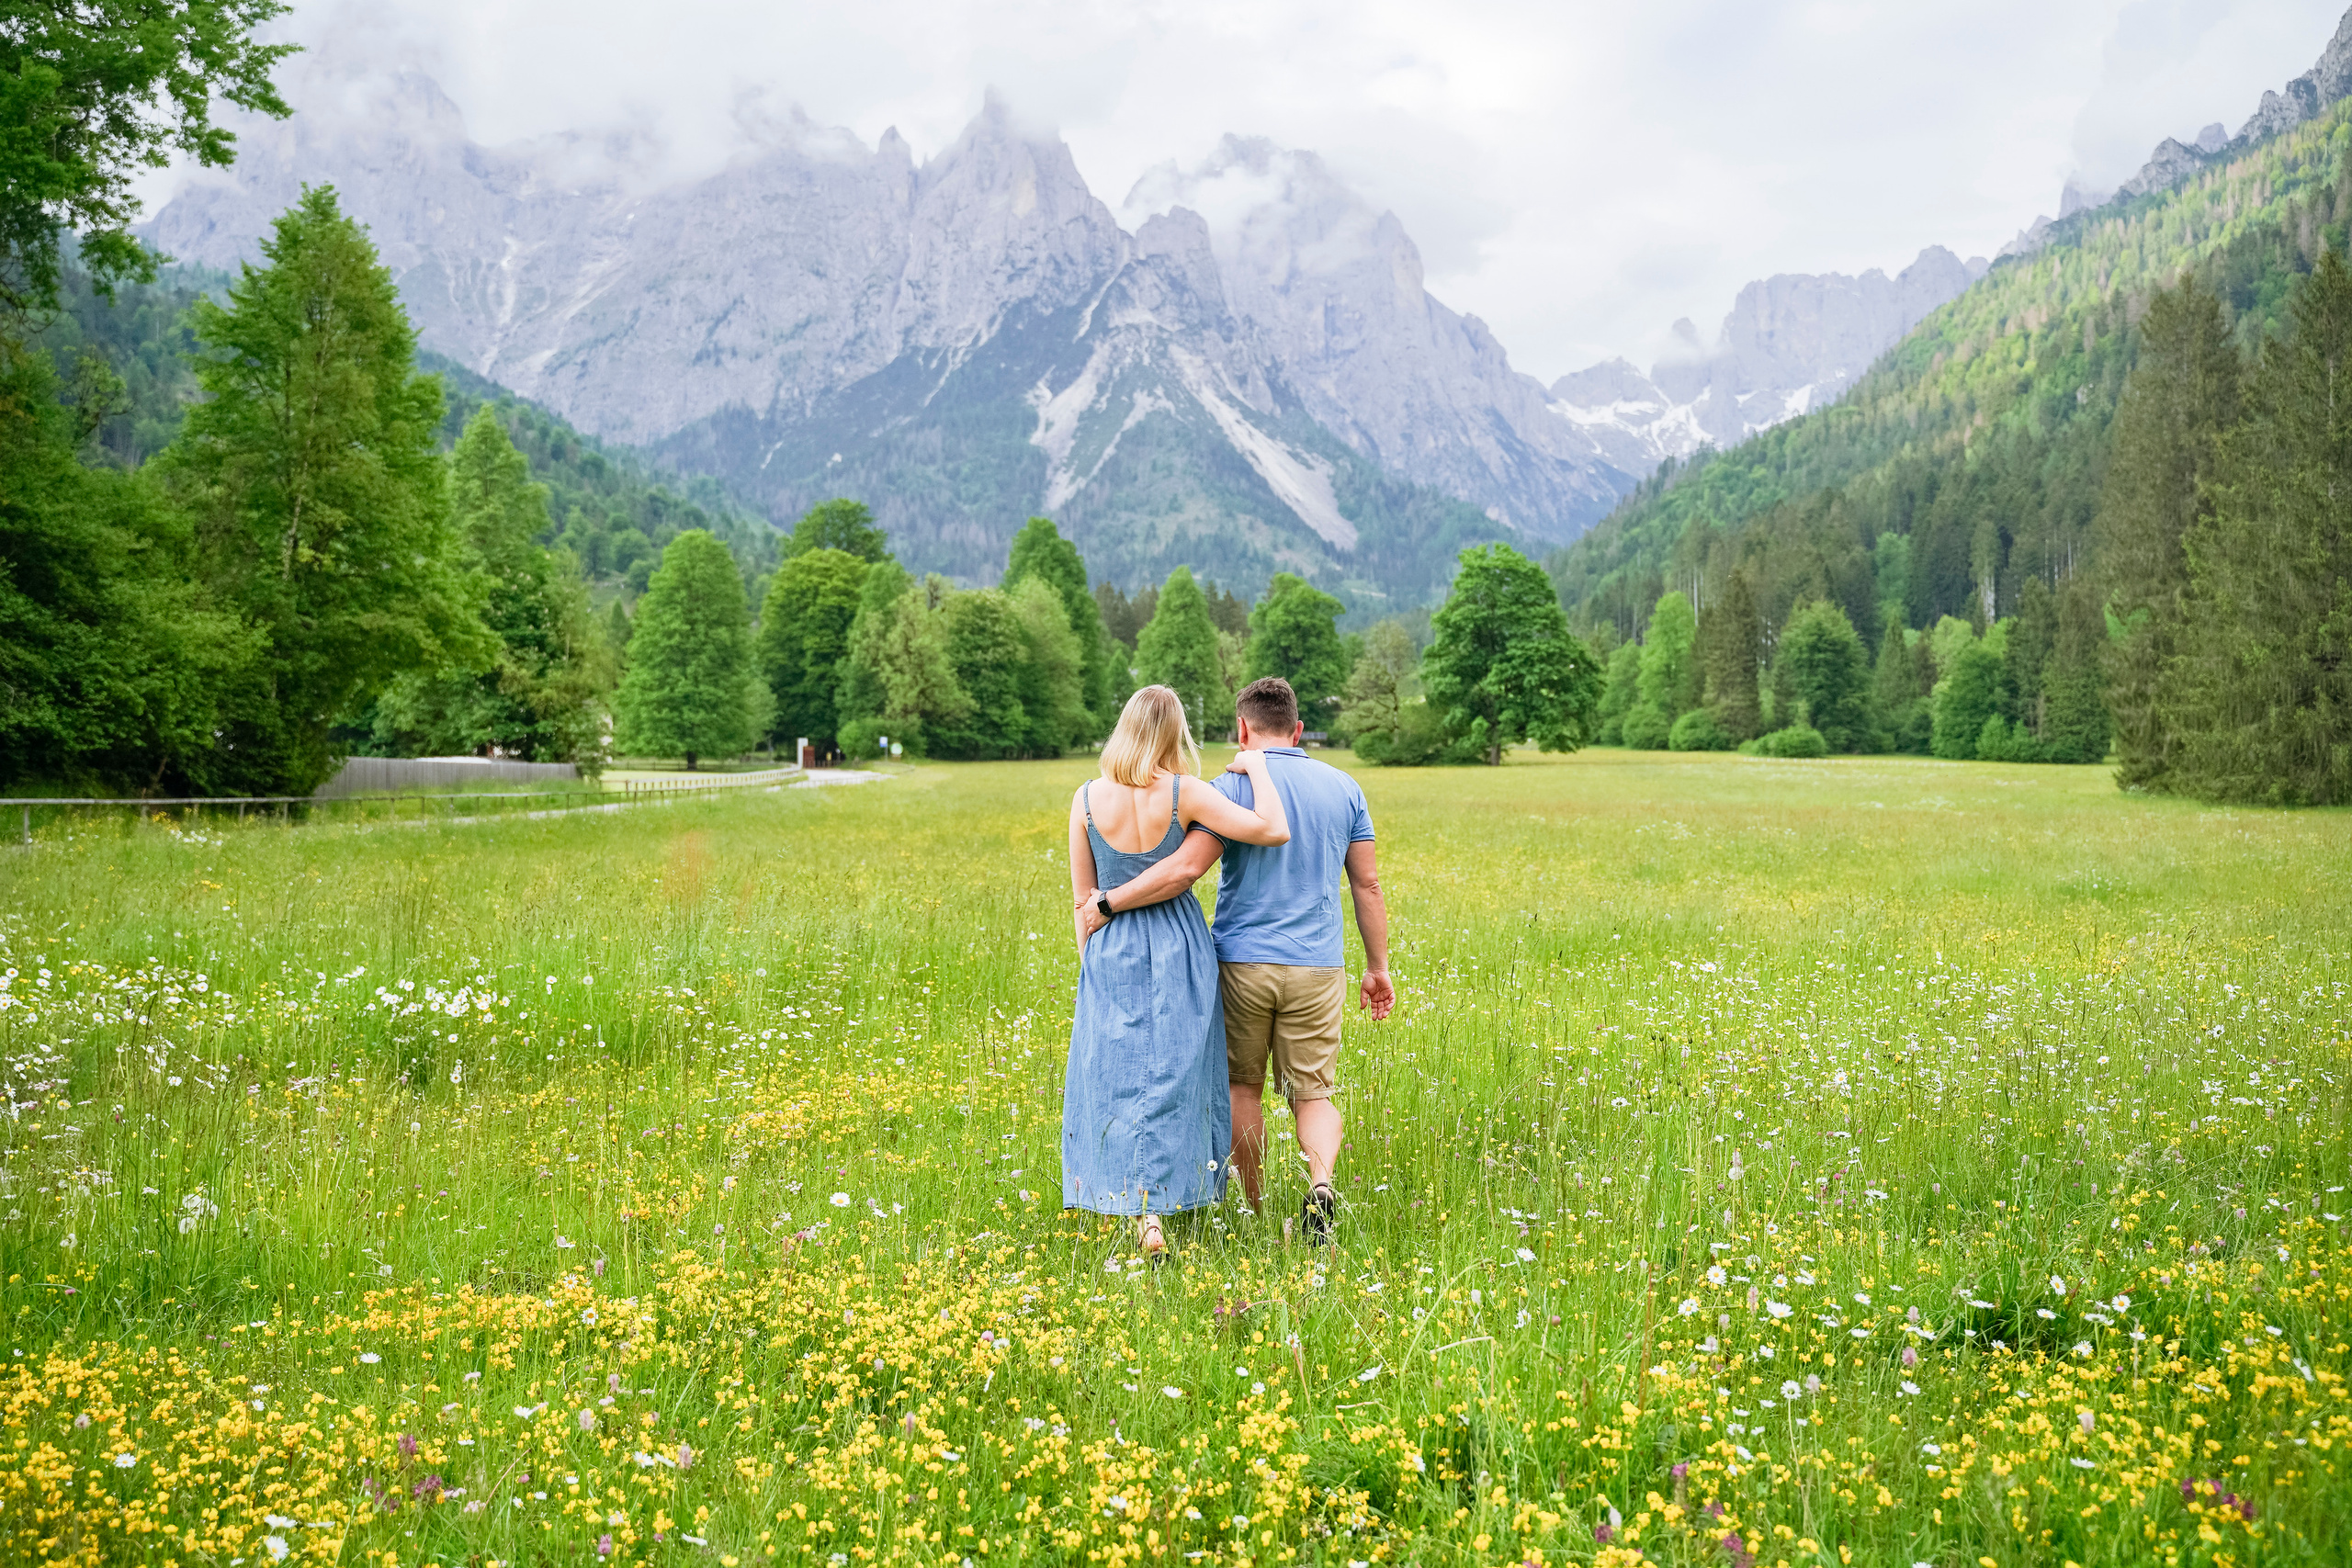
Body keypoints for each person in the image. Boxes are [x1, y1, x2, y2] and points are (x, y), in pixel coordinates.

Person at [1078, 676, 1393, 1245]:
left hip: (1240, 961)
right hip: (1318, 965)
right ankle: (1320, 1184)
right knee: (1313, 1093)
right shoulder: (1345, 787)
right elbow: (1367, 885)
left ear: (1243, 728)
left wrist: (1106, 904)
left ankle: (1253, 1206)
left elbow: (1183, 869)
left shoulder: (1224, 787)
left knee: (1242, 1089)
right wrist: (1378, 967)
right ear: (1298, 731)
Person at [1062, 684, 1292, 1258]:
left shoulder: (1086, 798)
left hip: (1110, 942)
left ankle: (1139, 1209)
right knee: (1173, 1071)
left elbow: (1082, 899)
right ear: (1174, 733)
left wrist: (1090, 963)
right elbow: (1272, 828)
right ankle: (1164, 1200)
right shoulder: (1184, 792)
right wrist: (1258, 769)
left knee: (1115, 1074)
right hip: (1176, 943)